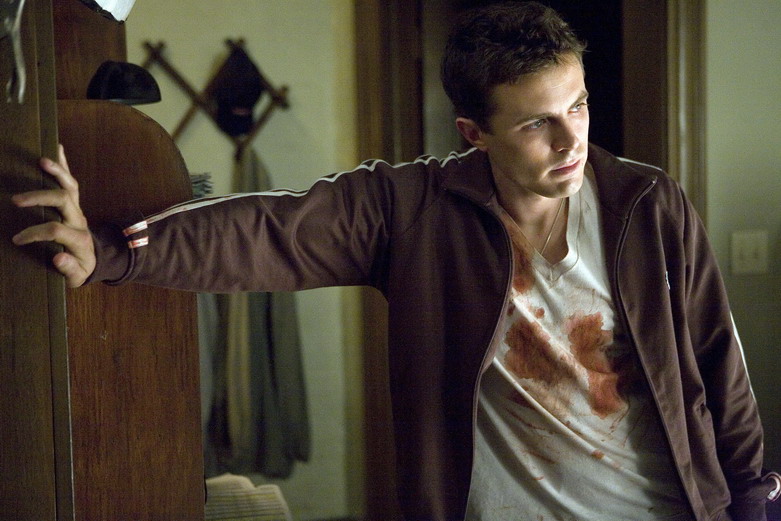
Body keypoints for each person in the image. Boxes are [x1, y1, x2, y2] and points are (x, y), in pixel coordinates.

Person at [11, 2, 780, 520]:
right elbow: (267, 228)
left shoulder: (646, 203)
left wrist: (752, 499)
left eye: (576, 105)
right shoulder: (412, 208)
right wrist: (107, 251)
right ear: (474, 133)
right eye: (536, 124)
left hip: (661, 505)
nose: (570, 139)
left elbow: (717, 358)